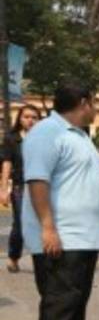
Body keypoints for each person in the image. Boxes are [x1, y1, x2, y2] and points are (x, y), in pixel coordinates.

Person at [22, 84, 99, 320]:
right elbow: (37, 180)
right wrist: (48, 227)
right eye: (94, 103)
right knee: (59, 301)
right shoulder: (47, 132)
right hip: (62, 235)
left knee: (76, 299)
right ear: (84, 103)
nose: (96, 109)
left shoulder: (79, 134)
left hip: (84, 236)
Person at [2, 104, 41, 272]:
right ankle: (13, 256)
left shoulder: (45, 138)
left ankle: (41, 260)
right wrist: (3, 189)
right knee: (20, 223)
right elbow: (7, 163)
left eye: (34, 117)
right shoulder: (12, 138)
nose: (30, 120)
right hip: (20, 186)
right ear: (19, 118)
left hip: (41, 186)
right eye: (26, 117)